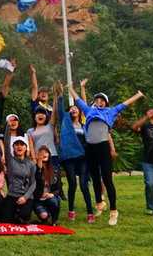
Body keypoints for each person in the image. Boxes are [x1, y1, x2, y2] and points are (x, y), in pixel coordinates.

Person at [70, 81, 144, 226]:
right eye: (97, 100)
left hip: (103, 147)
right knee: (95, 178)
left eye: (102, 100)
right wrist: (70, 88)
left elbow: (125, 103)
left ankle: (114, 211)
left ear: (106, 103)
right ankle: (99, 203)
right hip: (90, 148)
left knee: (107, 179)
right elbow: (78, 100)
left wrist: (138, 95)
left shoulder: (111, 111)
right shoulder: (89, 111)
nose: (99, 102)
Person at [53, 81, 94, 223]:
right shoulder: (65, 120)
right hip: (69, 157)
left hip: (83, 157)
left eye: (76, 108)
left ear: (79, 111)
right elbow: (59, 109)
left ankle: (90, 212)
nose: (73, 109)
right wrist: (60, 94)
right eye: (71, 108)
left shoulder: (84, 124)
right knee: (72, 184)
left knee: (83, 184)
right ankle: (71, 210)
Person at [3, 136, 36, 224]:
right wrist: (8, 127)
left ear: (26, 148)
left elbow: (34, 183)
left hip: (26, 196)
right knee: (6, 220)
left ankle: (20, 214)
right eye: (16, 144)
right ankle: (15, 214)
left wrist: (25, 197)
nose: (19, 147)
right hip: (12, 194)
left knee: (24, 215)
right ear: (13, 147)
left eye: (22, 144)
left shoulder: (31, 164)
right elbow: (6, 143)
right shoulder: (10, 160)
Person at [33, 146, 62, 225]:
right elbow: (35, 181)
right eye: (41, 153)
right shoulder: (33, 169)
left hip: (49, 196)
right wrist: (39, 167)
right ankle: (45, 215)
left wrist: (51, 194)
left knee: (54, 200)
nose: (43, 154)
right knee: (44, 216)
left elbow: (59, 188)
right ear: (38, 155)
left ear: (49, 155)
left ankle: (54, 220)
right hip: (38, 199)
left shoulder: (55, 169)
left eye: (46, 152)